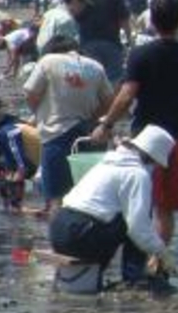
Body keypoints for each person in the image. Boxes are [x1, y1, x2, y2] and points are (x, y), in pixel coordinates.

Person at [93, 0, 178, 246]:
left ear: (152, 19)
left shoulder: (141, 55)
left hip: (144, 141)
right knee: (165, 208)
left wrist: (106, 124)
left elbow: (127, 95)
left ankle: (139, 259)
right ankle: (158, 261)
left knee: (138, 202)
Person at [48, 125, 177, 288]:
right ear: (152, 158)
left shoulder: (107, 162)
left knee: (127, 216)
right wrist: (162, 253)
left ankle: (128, 277)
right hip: (79, 235)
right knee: (134, 221)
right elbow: (139, 230)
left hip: (59, 229)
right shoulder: (137, 174)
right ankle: (134, 279)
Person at [24, 36, 113, 213]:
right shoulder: (95, 66)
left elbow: (31, 94)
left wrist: (40, 114)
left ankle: (58, 236)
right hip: (88, 135)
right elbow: (109, 100)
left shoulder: (48, 61)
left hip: (57, 134)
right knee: (88, 198)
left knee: (57, 198)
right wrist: (93, 118)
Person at [77, 0, 130, 83]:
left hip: (88, 44)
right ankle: (112, 102)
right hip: (112, 43)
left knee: (90, 81)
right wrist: (129, 40)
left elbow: (73, 15)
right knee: (114, 81)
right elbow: (124, 21)